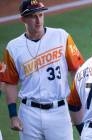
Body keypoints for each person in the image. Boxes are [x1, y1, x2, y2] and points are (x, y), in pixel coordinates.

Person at [1, 0, 84, 140]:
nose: (38, 20)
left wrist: (77, 103)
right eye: (33, 16)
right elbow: (10, 83)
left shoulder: (61, 36)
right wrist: (13, 115)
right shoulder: (13, 47)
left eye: (40, 15)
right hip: (29, 114)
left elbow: (76, 70)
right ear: (23, 19)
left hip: (59, 111)